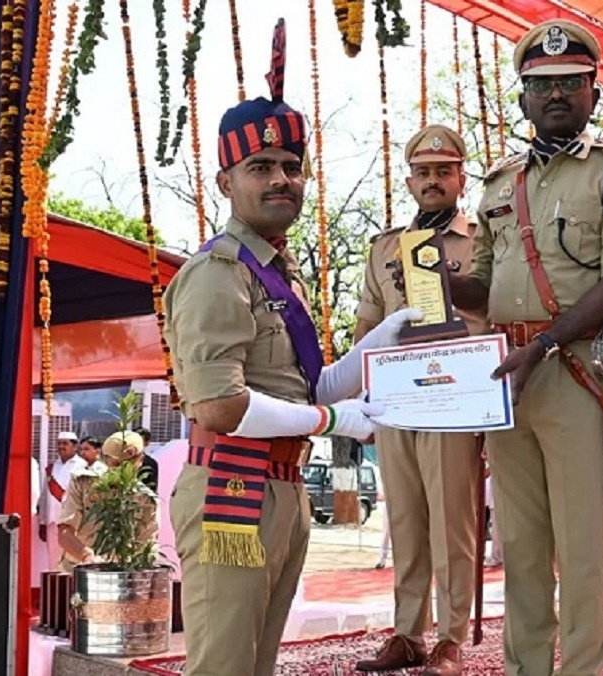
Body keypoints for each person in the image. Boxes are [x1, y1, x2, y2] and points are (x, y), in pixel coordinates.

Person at [162, 22, 421, 675]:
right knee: (223, 666)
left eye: (291, 167)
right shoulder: (218, 273)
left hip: (282, 489)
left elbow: (298, 391)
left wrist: (372, 354)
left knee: (257, 665)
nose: (281, 179)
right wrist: (336, 420)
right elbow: (222, 407)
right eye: (261, 167)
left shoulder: (277, 271)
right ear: (225, 181)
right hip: (233, 489)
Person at [448, 19, 603, 674]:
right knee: (522, 545)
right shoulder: (498, 183)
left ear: (595, 93)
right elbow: (483, 285)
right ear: (522, 100)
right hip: (502, 381)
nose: (557, 94)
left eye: (571, 83)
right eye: (542, 85)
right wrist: (440, 285)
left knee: (582, 548)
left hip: (573, 371)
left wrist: (540, 349)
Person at [353, 124, 485, 675]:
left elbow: (496, 310)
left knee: (451, 519)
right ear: (409, 182)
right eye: (423, 173)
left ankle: (450, 639)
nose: (433, 181)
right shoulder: (384, 248)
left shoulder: (482, 243)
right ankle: (407, 633)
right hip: (396, 397)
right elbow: (366, 323)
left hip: (453, 396)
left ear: (460, 178)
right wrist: (358, 393)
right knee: (404, 517)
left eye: (444, 171)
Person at [56, 431, 160, 572]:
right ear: (104, 459)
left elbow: (146, 546)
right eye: (115, 463)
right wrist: (87, 556)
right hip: (78, 572)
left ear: (140, 461)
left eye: (127, 463)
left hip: (122, 577)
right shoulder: (83, 483)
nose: (120, 470)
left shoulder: (146, 499)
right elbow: (65, 532)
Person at [38, 431, 86, 570]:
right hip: (53, 521)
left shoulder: (82, 465)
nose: (61, 446)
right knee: (53, 561)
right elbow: (45, 495)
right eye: (59, 443)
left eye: (65, 443)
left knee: (73, 560)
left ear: (75, 446)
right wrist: (42, 521)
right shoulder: (52, 468)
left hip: (74, 522)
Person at [134, 426, 160, 492]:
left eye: (139, 441)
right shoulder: (121, 460)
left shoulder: (151, 463)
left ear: (147, 443)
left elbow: (152, 488)